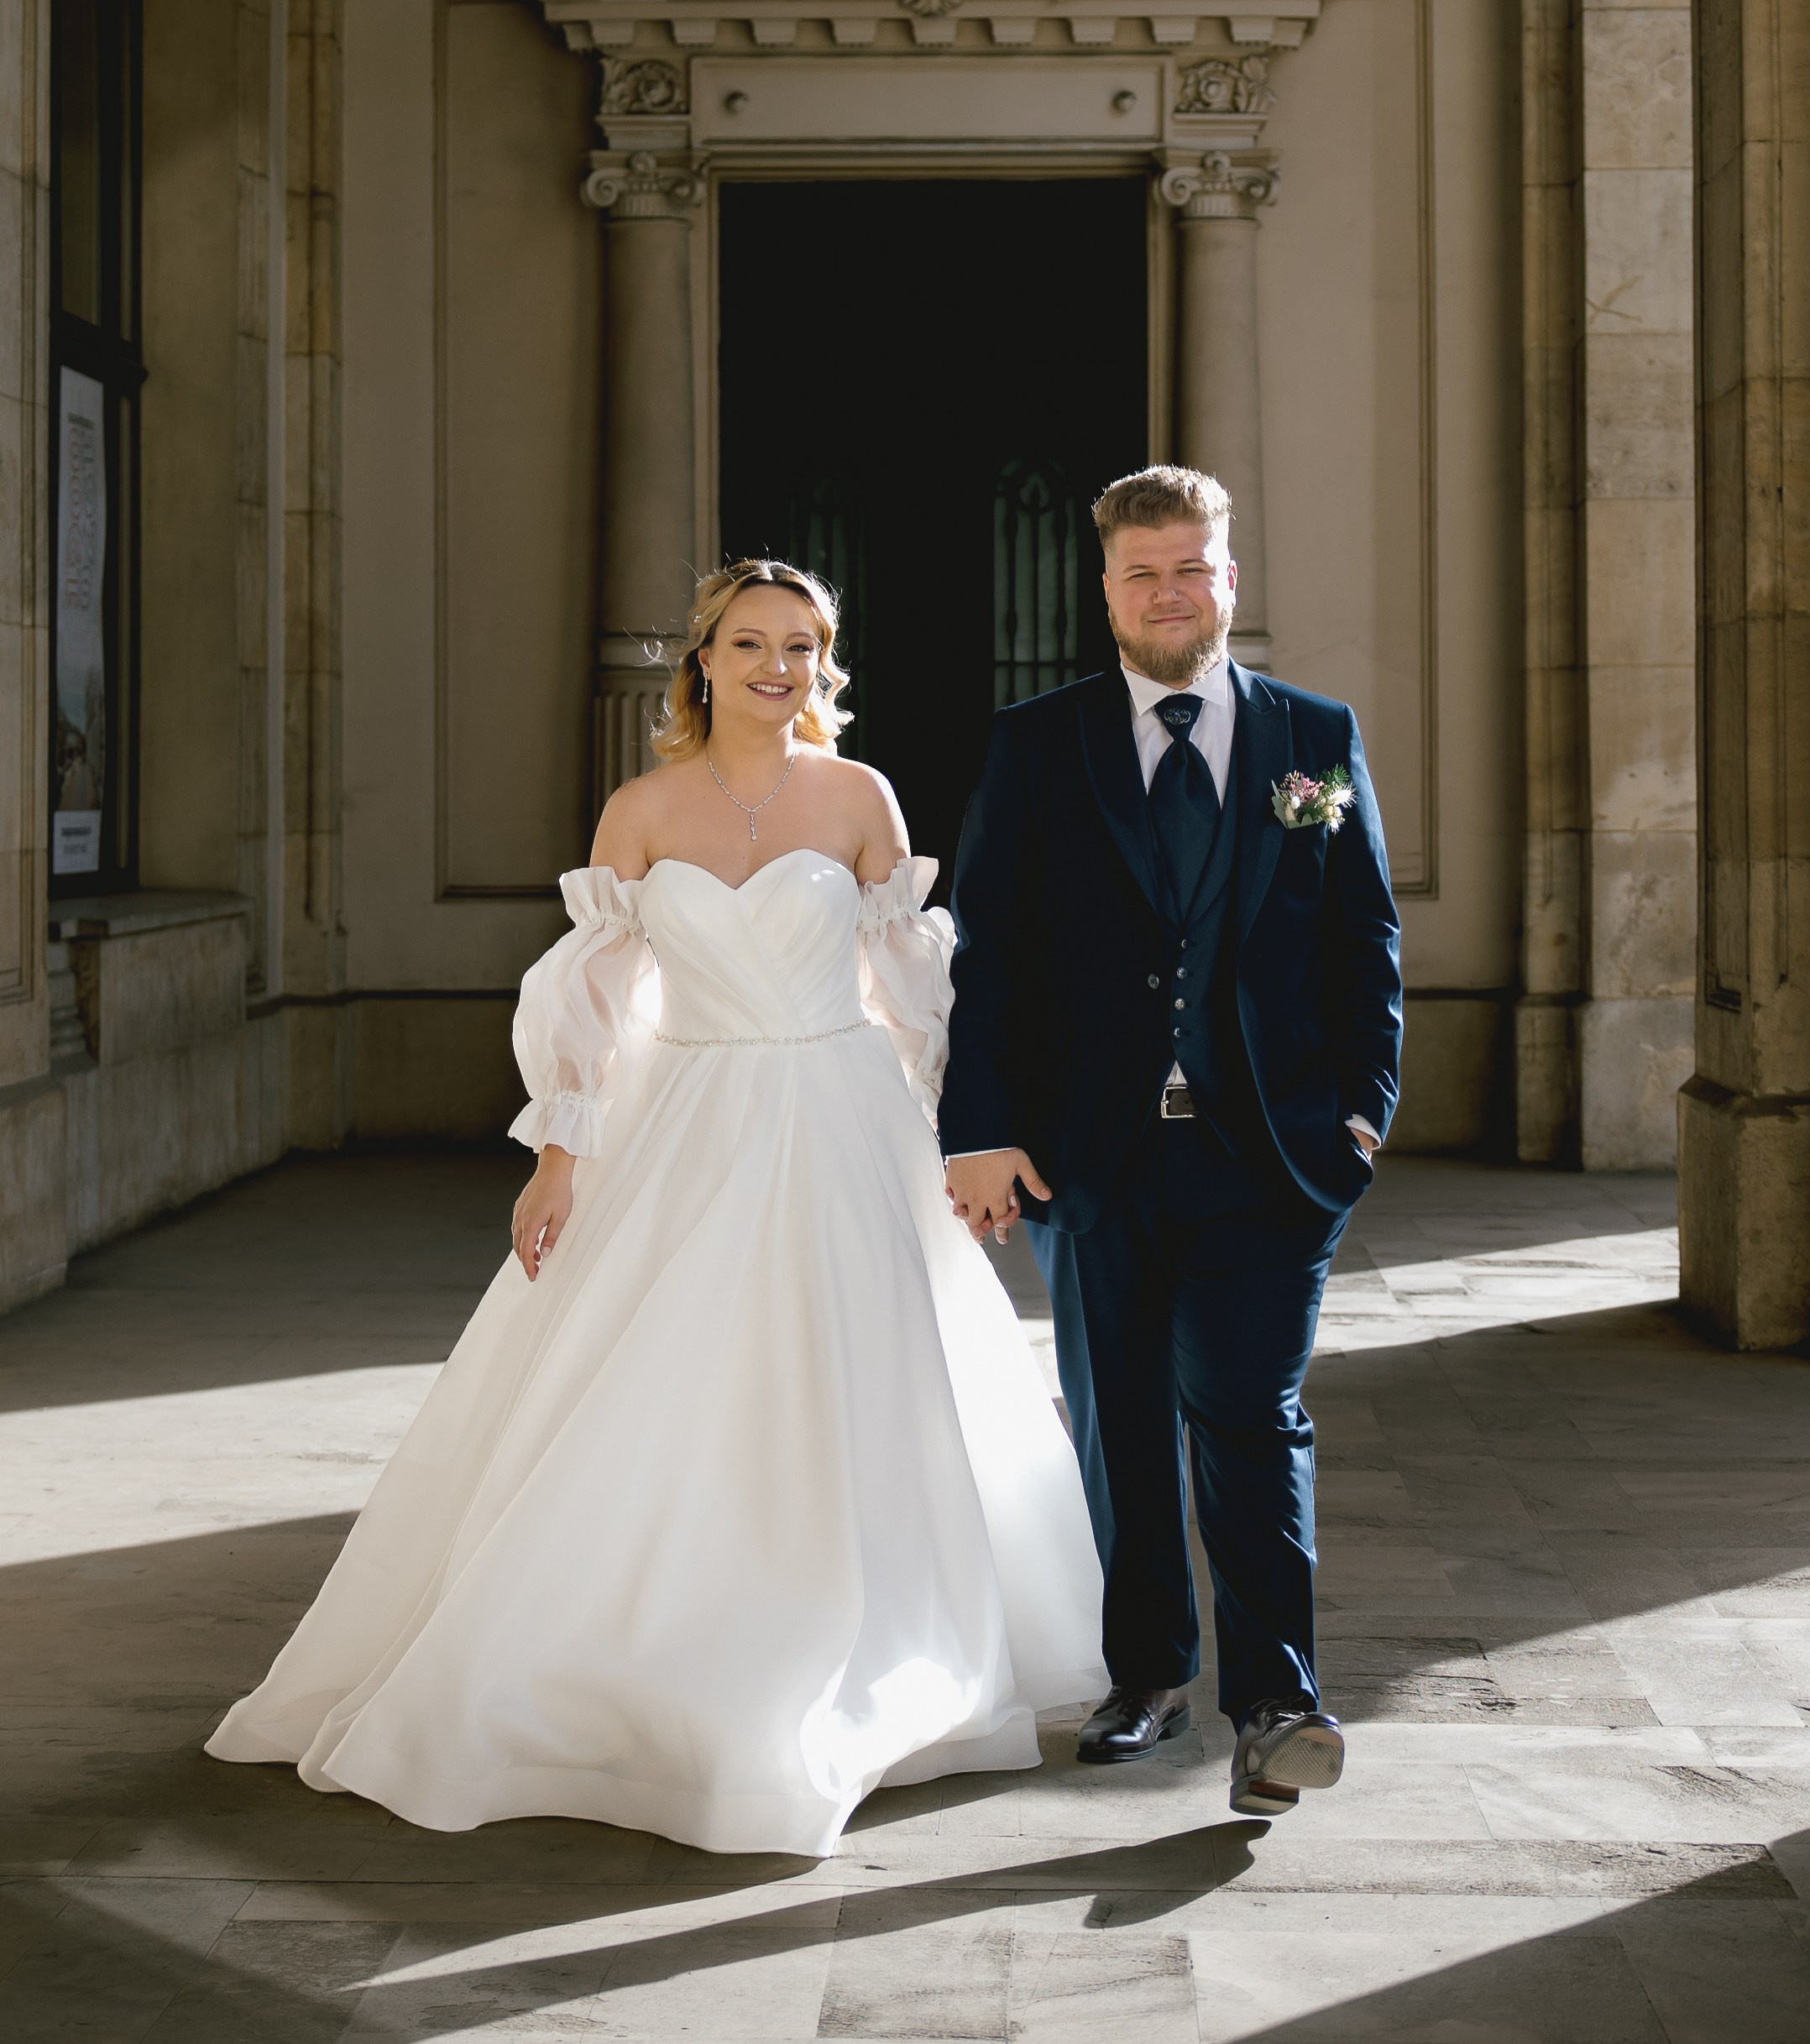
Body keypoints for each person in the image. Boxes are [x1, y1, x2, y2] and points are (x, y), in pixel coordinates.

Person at [209, 562, 1104, 1858]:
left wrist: (949, 1143)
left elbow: (914, 990)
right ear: (701, 659)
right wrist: (558, 1153)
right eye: (750, 643)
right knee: (654, 1381)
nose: (776, 667)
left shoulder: (861, 797)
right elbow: (584, 1003)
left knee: (851, 1384)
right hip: (684, 1112)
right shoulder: (640, 809)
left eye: (800, 646)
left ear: (824, 664)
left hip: (839, 1116)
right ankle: (637, 1654)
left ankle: (860, 1653)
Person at [940, 466, 1402, 1819]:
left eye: (1188, 569)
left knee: (1252, 1416)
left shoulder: (1314, 736)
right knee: (1119, 1418)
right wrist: (979, 1131)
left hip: (1269, 1155)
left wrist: (1360, 1115)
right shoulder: (1039, 743)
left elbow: (1362, 941)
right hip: (1094, 1156)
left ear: (1228, 581)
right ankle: (1144, 1673)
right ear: (1104, 590)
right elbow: (993, 956)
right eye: (1140, 573)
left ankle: (1275, 1701)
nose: (1165, 593)